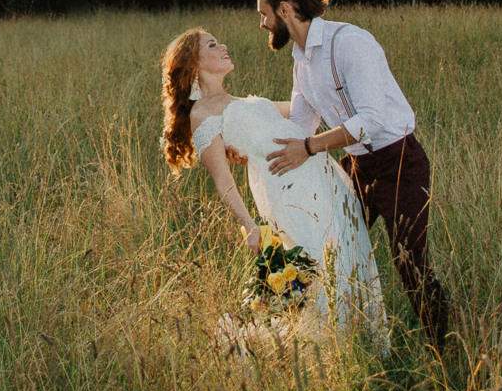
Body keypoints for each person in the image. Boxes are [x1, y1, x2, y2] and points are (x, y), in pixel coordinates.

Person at [160, 26, 388, 350]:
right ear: (193, 63)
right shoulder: (203, 113)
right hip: (289, 191)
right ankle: (323, 354)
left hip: (322, 181)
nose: (223, 45)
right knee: (317, 269)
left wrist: (332, 77)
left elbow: (304, 110)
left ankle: (356, 346)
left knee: (341, 260)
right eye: (212, 44)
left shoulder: (240, 100)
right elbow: (223, 181)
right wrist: (249, 225)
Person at [257, 0, 452, 348]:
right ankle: (332, 339)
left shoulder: (350, 43)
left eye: (264, 14)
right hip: (358, 166)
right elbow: (300, 122)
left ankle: (444, 346)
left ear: (284, 10)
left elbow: (371, 120)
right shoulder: (301, 59)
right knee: (326, 248)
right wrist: (250, 141)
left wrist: (312, 147)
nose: (262, 23)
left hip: (399, 163)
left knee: (408, 263)